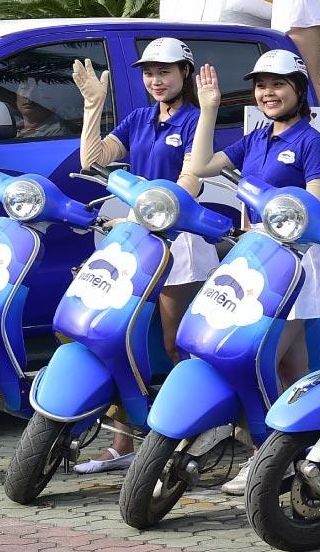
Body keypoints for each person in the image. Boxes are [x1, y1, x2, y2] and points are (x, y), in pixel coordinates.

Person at [179, 52, 320, 497]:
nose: (268, 92)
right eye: (261, 85)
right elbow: (199, 166)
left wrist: (278, 209)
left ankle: (267, 455)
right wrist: (208, 108)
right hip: (254, 261)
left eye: (278, 84)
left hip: (294, 266)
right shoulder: (256, 137)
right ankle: (297, 454)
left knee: (260, 358)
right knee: (291, 366)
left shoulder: (311, 140)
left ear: (299, 89)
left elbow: (318, 206)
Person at [70, 37, 219, 473]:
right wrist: (93, 107)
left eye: (165, 71)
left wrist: (163, 211)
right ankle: (124, 443)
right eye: (149, 72)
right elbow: (93, 161)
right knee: (118, 338)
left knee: (178, 344)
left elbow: (191, 181)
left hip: (182, 243)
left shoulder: (194, 120)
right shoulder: (138, 118)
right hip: (138, 241)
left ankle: (198, 425)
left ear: (185, 74)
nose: (156, 79)